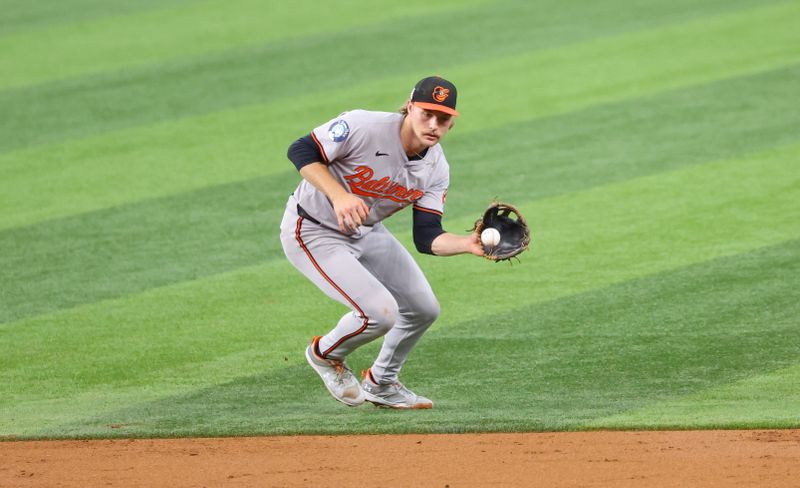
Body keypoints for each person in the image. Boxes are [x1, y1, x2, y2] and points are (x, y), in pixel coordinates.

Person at [280, 76, 483, 409]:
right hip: (313, 229)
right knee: (379, 313)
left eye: (443, 118)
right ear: (410, 107)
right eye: (426, 113)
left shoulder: (436, 168)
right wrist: (339, 195)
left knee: (423, 309)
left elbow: (427, 236)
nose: (433, 124)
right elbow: (301, 150)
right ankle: (324, 355)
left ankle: (382, 383)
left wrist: (468, 243)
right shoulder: (363, 125)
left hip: (367, 232)